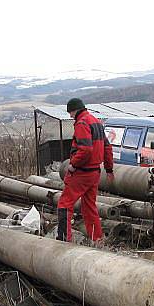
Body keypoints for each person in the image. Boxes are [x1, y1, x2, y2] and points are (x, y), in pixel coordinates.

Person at [57, 98, 114, 243]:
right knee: (89, 207)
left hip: (82, 172)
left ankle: (64, 240)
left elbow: (85, 149)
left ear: (75, 110)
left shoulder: (82, 123)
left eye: (70, 113)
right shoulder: (96, 122)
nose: (70, 116)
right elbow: (107, 147)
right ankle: (97, 240)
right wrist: (109, 169)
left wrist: (73, 165)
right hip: (95, 172)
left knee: (64, 204)